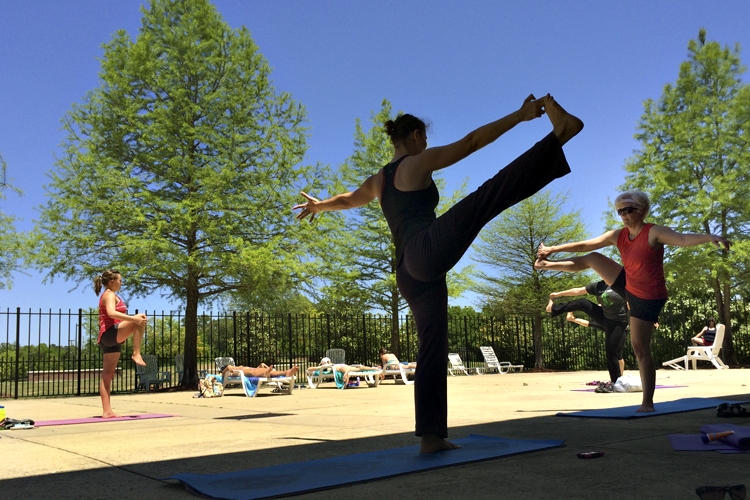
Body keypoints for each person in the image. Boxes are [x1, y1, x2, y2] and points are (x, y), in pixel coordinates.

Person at [295, 94, 583, 452]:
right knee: (484, 199)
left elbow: (350, 198)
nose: (428, 144)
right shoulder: (418, 162)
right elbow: (472, 143)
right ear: (415, 136)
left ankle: (431, 437)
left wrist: (320, 206)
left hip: (409, 274)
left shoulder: (377, 180)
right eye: (425, 138)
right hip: (423, 252)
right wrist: (520, 115)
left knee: (433, 348)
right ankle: (560, 136)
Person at [535, 191, 731, 412]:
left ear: (643, 211)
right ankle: (545, 265)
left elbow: (683, 238)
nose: (624, 215)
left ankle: (647, 403)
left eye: (628, 210)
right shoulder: (618, 235)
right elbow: (585, 246)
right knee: (592, 258)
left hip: (648, 298)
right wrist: (552, 249)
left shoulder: (653, 232)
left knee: (639, 348)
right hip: (628, 285)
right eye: (620, 211)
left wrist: (712, 237)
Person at [546, 280, 628, 385]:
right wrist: (559, 294)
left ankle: (616, 382)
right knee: (583, 303)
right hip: (604, 317)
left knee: (611, 352)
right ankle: (554, 309)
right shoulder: (598, 286)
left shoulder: (621, 284)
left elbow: (634, 301)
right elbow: (577, 291)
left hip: (618, 322)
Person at [94, 269, 148, 418]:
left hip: (108, 339)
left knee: (108, 375)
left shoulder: (109, 295)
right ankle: (136, 353)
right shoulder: (109, 294)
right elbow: (111, 313)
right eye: (120, 280)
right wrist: (133, 319)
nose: (121, 283)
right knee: (141, 318)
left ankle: (107, 411)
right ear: (112, 282)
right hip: (111, 333)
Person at [221, 363, 299, 379]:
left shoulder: (238, 367)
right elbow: (223, 375)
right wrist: (228, 367)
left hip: (253, 369)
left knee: (270, 371)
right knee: (254, 372)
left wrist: (260, 365)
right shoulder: (230, 371)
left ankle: (286, 372)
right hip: (245, 373)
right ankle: (265, 373)